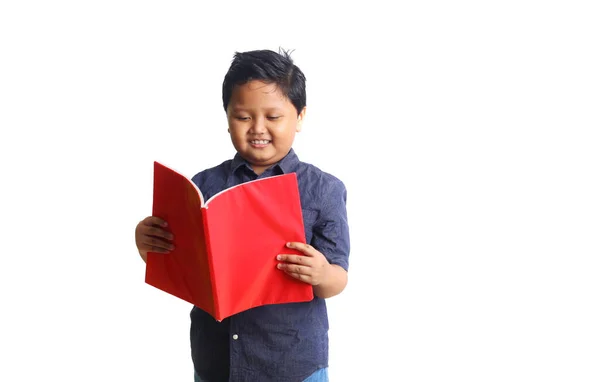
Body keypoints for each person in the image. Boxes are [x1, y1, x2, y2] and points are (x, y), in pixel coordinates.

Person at [134, 48, 351, 382]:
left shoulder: (324, 189)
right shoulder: (204, 185)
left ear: (301, 116)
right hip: (216, 360)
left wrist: (321, 273)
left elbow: (338, 280)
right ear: (227, 117)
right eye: (243, 116)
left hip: (291, 363)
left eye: (273, 117)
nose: (257, 128)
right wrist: (146, 242)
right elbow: (179, 266)